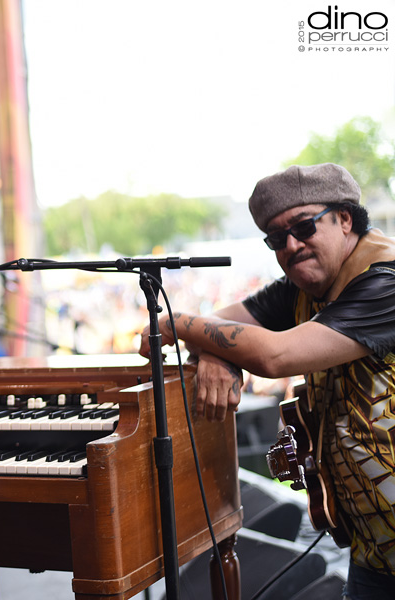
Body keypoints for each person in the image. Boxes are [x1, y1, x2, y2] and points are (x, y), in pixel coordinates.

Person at [139, 163, 395, 599]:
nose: (292, 246)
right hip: (373, 551)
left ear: (345, 218)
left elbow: (275, 356)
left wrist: (177, 322)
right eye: (277, 239)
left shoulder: (385, 282)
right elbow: (218, 325)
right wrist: (216, 355)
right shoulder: (303, 287)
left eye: (304, 227)